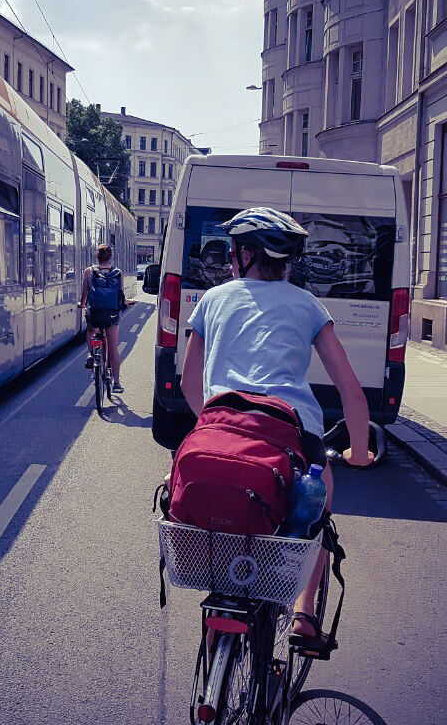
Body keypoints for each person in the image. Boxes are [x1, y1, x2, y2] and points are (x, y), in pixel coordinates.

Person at [179, 206, 375, 644]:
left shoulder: (212, 300)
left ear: (244, 255)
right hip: (292, 433)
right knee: (316, 509)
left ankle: (213, 672)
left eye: (232, 252)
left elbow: (190, 384)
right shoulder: (308, 305)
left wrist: (218, 427)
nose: (230, 259)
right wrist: (358, 453)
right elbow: (351, 391)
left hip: (218, 425)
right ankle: (304, 615)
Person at [79, 243, 135, 393]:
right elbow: (120, 295)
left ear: (97, 256)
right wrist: (126, 302)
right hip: (112, 314)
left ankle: (91, 354)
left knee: (91, 332)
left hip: (95, 313)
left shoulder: (88, 272)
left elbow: (84, 296)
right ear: (111, 257)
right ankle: (116, 383)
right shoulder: (118, 272)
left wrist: (81, 304)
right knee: (113, 346)